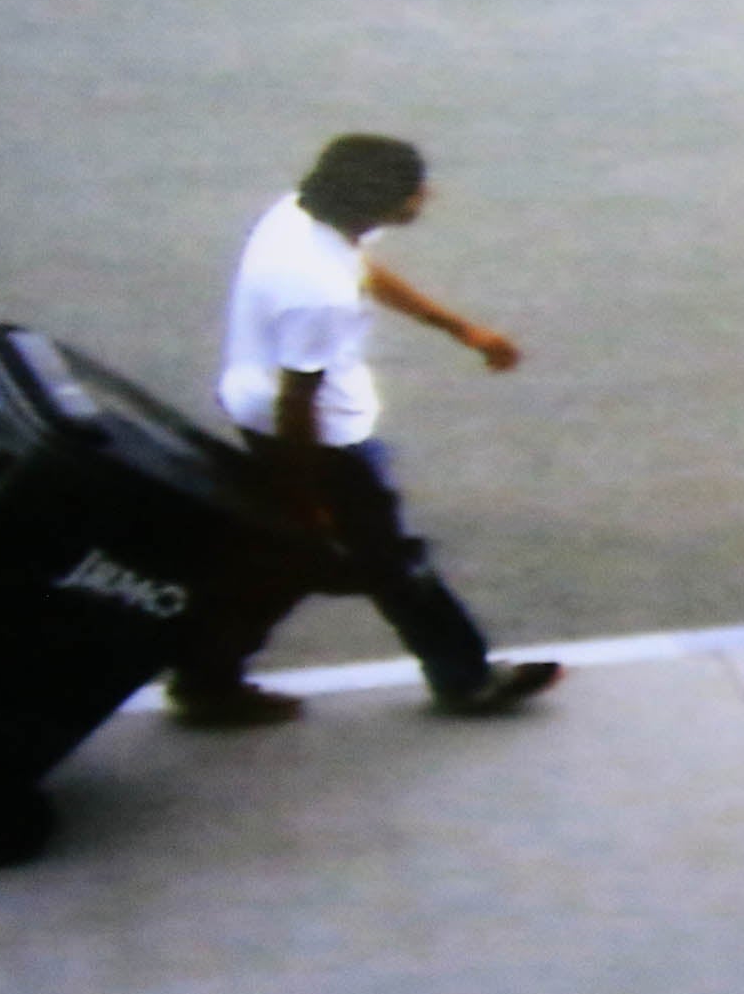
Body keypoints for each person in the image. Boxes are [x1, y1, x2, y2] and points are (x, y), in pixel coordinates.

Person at [167, 134, 562, 728]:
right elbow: (298, 401)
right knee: (391, 563)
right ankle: (468, 679)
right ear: (374, 204)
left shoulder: (302, 219)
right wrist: (310, 499)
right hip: (317, 443)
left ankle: (205, 679)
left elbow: (360, 270)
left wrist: (459, 329)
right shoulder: (316, 293)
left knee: (290, 559)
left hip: (276, 420)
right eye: (414, 190)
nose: (426, 194)